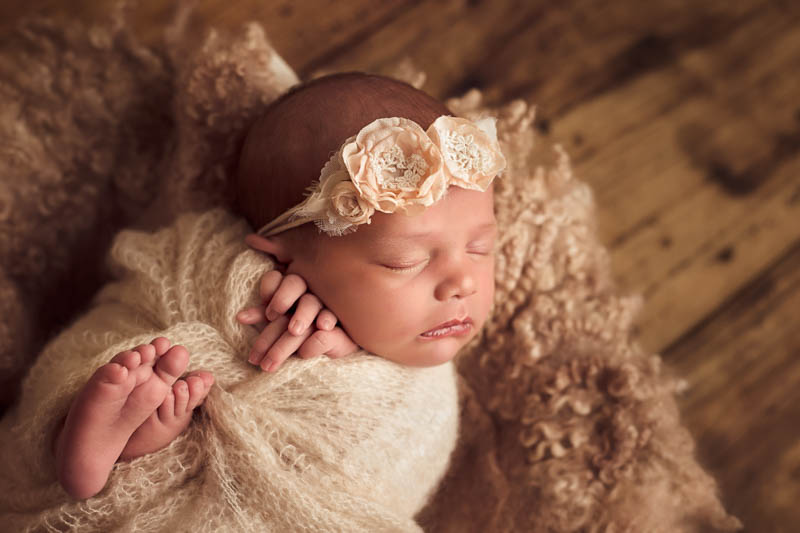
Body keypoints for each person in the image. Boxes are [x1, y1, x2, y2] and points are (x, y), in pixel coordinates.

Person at [50, 71, 507, 501]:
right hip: (204, 466)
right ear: (281, 256)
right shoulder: (256, 294)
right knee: (164, 383)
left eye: (480, 248)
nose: (463, 282)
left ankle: (133, 448)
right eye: (403, 261)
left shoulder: (413, 376)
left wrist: (351, 356)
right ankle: (131, 449)